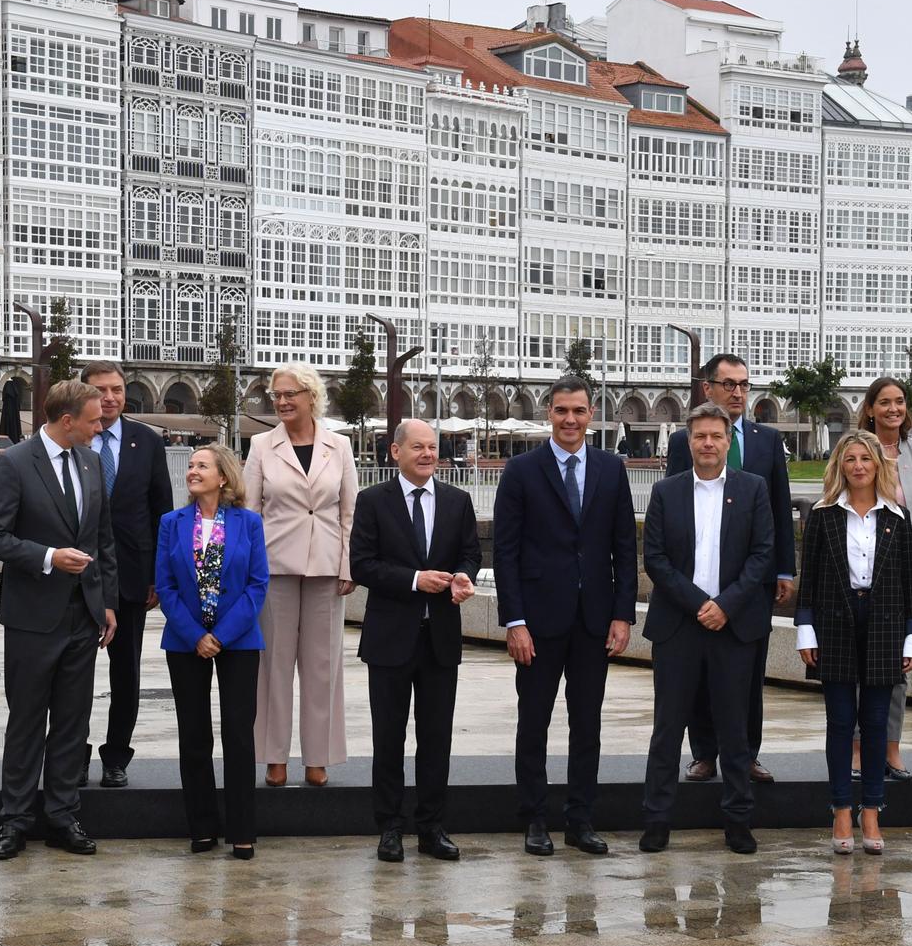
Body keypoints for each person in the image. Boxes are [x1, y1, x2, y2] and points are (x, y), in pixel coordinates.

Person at [493, 376, 637, 856]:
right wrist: (514, 621)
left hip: (594, 621)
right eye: (560, 411)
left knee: (587, 724)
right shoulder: (521, 470)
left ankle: (581, 818)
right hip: (537, 622)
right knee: (533, 723)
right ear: (548, 414)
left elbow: (623, 546)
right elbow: (505, 552)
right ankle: (534, 818)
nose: (570, 419)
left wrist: (623, 616)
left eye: (578, 410)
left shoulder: (610, 469)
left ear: (590, 414)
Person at [0, 379, 118, 860]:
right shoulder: (14, 463)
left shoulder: (92, 461)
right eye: (94, 419)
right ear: (66, 421)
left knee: (72, 724)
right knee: (26, 723)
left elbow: (102, 540)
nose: (101, 426)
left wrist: (107, 603)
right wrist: (47, 557)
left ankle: (63, 816)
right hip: (31, 618)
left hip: (84, 616)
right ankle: (14, 821)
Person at [637, 403, 774, 855]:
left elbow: (761, 556)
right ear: (689, 442)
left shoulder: (753, 490)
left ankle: (738, 821)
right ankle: (657, 820)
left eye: (717, 436)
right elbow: (655, 558)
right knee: (667, 729)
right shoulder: (666, 491)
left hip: (734, 627)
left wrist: (725, 606)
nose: (709, 444)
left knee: (735, 730)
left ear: (729, 441)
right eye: (700, 437)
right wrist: (701, 604)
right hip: (679, 625)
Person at [350, 419, 483, 863]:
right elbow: (363, 565)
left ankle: (432, 827)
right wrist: (413, 580)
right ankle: (389, 828)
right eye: (418, 447)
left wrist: (464, 576)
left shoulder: (458, 501)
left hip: (440, 639)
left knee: (436, 738)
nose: (428, 454)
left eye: (433, 447)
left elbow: (471, 553)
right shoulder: (372, 502)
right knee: (388, 738)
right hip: (390, 638)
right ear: (396, 452)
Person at [664, 354, 794, 784]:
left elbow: (779, 507)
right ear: (709, 388)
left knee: (748, 674)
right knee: (699, 676)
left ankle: (748, 753)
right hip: (698, 586)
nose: (738, 392)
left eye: (744, 384)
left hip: (751, 582)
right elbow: (675, 506)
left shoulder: (767, 440)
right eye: (729, 384)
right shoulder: (689, 441)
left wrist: (784, 570)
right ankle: (704, 753)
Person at [796, 430, 912, 856]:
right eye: (849, 459)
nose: (858, 466)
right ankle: (841, 810)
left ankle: (872, 809)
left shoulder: (897, 516)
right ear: (839, 466)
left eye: (865, 459)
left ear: (877, 465)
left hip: (885, 624)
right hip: (834, 623)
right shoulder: (823, 515)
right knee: (839, 722)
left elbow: (910, 585)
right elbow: (808, 581)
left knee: (874, 723)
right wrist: (805, 631)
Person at [243, 364, 359, 788]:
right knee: (272, 666)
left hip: (328, 569)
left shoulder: (339, 446)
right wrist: (251, 571)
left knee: (323, 667)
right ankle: (274, 756)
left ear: (312, 396)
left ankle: (318, 756)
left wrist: (348, 566)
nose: (282, 401)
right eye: (276, 395)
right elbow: (249, 513)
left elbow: (348, 512)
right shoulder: (260, 445)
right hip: (274, 568)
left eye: (290, 393)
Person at [156, 445, 267, 858]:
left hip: (238, 641)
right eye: (189, 466)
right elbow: (165, 586)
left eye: (201, 465)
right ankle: (202, 828)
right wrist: (194, 635)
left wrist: (220, 634)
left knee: (239, 736)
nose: (191, 471)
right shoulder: (172, 522)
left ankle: (243, 830)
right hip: (185, 643)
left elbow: (257, 586)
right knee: (194, 736)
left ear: (223, 477)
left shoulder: (248, 523)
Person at [78, 361, 175, 788]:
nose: (110, 398)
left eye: (116, 389)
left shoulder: (146, 441)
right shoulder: (73, 438)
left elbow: (161, 510)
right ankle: (72, 756)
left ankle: (117, 756)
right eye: (100, 390)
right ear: (84, 395)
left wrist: (160, 572)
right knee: (74, 674)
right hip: (77, 573)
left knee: (126, 673)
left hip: (133, 574)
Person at [855, 377, 912, 784]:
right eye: (885, 402)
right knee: (854, 658)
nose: (893, 409)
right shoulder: (855, 450)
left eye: (900, 402)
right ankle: (857, 746)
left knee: (898, 663)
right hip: (863, 567)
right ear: (870, 408)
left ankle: (891, 745)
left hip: (910, 569)